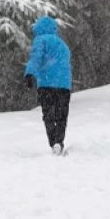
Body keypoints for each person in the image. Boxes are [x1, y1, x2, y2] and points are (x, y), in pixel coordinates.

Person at [23, 16, 72, 155]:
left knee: (48, 114)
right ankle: (59, 142)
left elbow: (36, 58)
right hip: (64, 86)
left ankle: (53, 142)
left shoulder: (41, 40)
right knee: (62, 116)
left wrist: (29, 74)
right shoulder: (63, 44)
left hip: (46, 84)